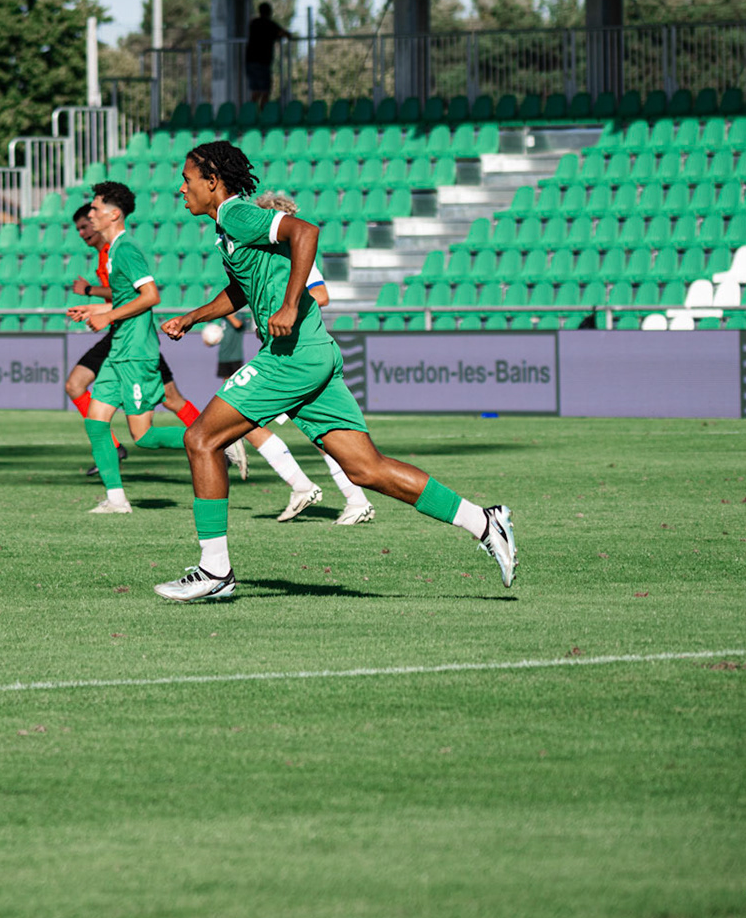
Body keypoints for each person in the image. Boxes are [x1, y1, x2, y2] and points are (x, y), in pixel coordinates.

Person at [153, 141, 516, 602]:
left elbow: (305, 232)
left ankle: (214, 571)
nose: (180, 189)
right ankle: (485, 522)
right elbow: (242, 288)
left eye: (186, 180)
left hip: (291, 357)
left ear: (212, 182)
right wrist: (194, 316)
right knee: (367, 469)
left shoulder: (236, 214)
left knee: (201, 439)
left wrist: (288, 305)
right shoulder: (228, 228)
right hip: (313, 352)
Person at [64, 182, 210, 514]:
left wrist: (107, 315)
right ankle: (117, 500)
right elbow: (127, 300)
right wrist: (94, 310)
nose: (90, 214)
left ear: (114, 214)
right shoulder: (113, 250)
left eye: (96, 209)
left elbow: (151, 297)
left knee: (142, 437)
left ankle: (218, 442)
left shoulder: (126, 249)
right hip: (119, 351)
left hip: (135, 353)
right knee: (96, 421)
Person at [251, 190, 376, 527]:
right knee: (319, 434)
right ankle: (348, 498)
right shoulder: (267, 259)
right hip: (279, 350)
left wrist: (288, 302)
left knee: (246, 421)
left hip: (296, 353)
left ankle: (307, 487)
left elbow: (321, 294)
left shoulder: (293, 252)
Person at [243, 1, 293, 109]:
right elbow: (287, 34)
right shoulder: (269, 24)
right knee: (265, 91)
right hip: (262, 62)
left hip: (250, 62)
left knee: (255, 92)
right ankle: (262, 117)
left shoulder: (254, 23)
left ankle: (250, 116)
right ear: (269, 12)